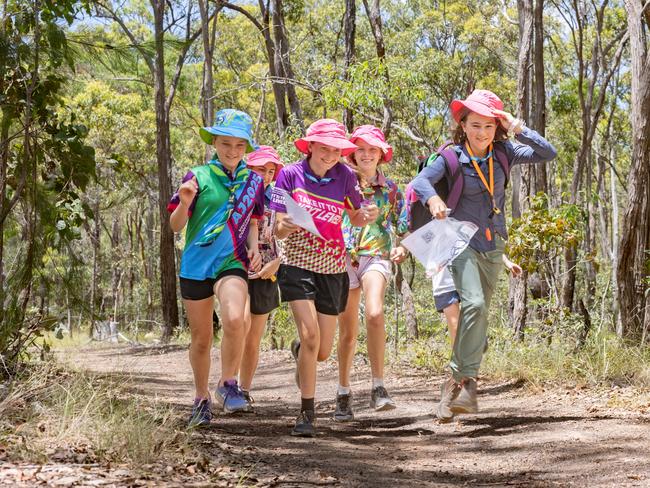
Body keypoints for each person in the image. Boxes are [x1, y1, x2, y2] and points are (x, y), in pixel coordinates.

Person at [410, 89, 557, 422]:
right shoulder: (450, 157)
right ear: (463, 125)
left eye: (489, 126)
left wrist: (517, 127)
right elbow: (420, 181)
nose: (482, 133)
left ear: (497, 127)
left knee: (479, 314)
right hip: (458, 240)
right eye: (475, 125)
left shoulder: (505, 152)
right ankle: (466, 381)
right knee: (473, 304)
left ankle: (456, 384)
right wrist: (433, 200)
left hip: (493, 244)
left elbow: (548, 153)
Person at [270, 119, 379, 437]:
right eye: (324, 149)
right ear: (310, 146)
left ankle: (300, 351)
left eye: (336, 150)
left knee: (322, 351)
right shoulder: (289, 174)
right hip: (297, 263)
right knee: (311, 336)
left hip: (333, 267)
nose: (330, 155)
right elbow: (277, 226)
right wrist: (287, 225)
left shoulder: (345, 175)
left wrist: (367, 215)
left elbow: (356, 216)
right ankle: (307, 413)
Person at [168, 109, 264, 427]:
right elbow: (175, 226)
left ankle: (228, 383)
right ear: (214, 142)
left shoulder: (253, 180)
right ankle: (200, 398)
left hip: (231, 260)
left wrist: (253, 246)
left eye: (239, 145)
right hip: (196, 263)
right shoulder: (197, 177)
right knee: (201, 338)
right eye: (226, 144)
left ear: (247, 147)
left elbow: (253, 219)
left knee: (237, 319)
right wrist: (184, 202)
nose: (233, 151)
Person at [335, 125, 408, 421]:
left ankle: (379, 386)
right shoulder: (339, 181)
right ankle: (343, 391)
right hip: (342, 260)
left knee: (375, 313)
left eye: (373, 149)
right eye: (361, 149)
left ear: (381, 154)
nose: (366, 155)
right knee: (348, 332)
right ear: (352, 152)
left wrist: (403, 247)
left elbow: (404, 223)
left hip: (375, 256)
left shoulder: (390, 189)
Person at [238, 146, 284, 408]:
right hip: (238, 265)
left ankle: (244, 389)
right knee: (240, 325)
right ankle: (229, 383)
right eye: (260, 169)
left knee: (254, 336)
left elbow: (287, 234)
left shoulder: (278, 197)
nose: (265, 175)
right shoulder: (238, 192)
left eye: (270, 171)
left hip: (268, 270)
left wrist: (277, 264)